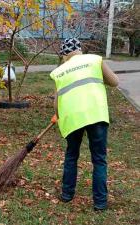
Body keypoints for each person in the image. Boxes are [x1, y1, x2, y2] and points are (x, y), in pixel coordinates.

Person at [50, 38, 119, 211]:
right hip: (96, 114)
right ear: (80, 50)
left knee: (71, 156)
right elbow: (114, 82)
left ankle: (67, 195)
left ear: (64, 54)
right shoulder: (95, 60)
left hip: (73, 118)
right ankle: (100, 203)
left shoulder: (59, 71)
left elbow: (56, 103)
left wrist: (57, 116)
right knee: (99, 160)